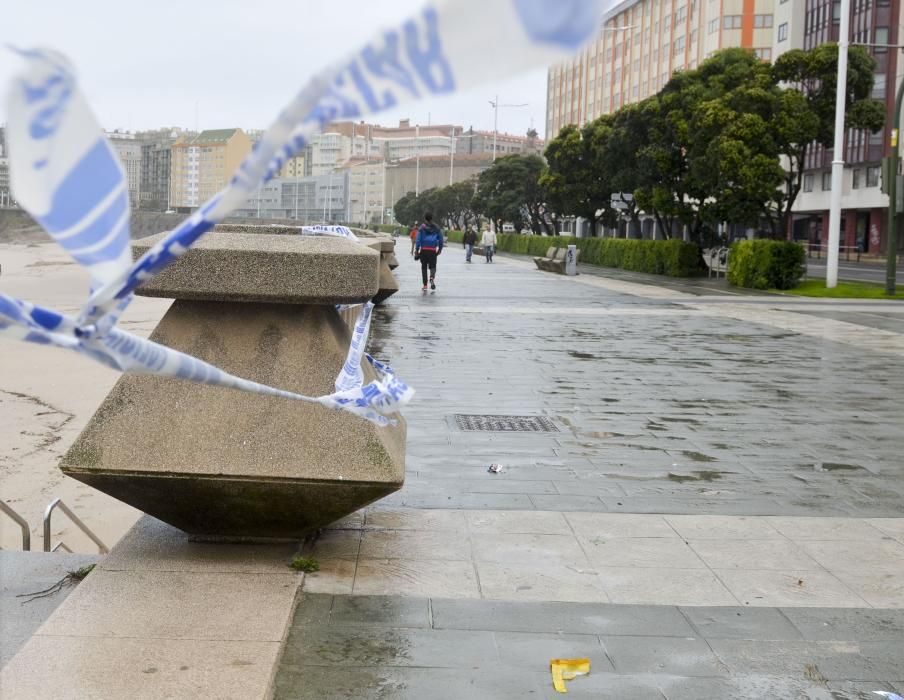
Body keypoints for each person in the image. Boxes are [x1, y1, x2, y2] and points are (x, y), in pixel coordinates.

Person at [415, 212, 444, 290]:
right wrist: (440, 249)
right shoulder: (437, 227)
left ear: (425, 218)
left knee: (424, 267)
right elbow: (441, 240)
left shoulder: (421, 227)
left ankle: (425, 285)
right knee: (433, 267)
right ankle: (431, 278)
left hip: (424, 250)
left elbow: (418, 240)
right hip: (432, 250)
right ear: (432, 218)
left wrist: (417, 250)